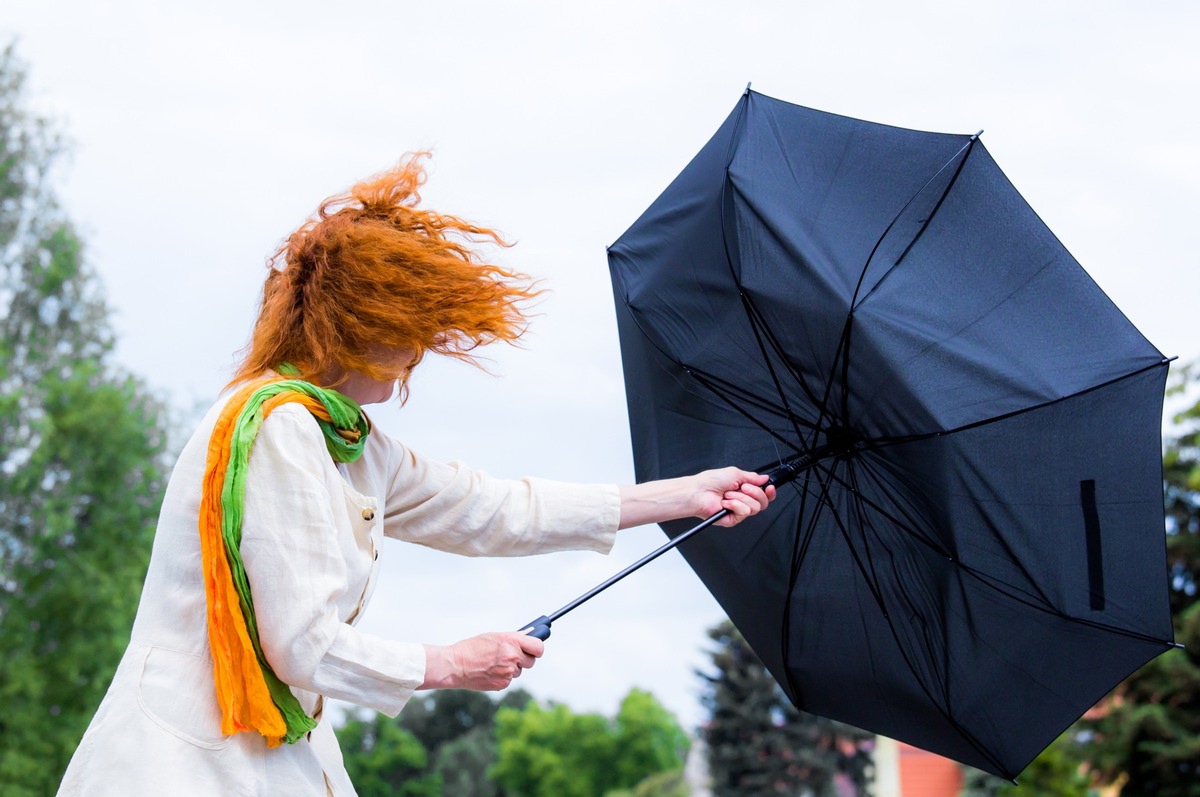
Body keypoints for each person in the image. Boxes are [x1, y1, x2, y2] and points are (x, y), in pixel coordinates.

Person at [56, 154, 776, 796]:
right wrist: (451, 662)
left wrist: (683, 495)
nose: (421, 351)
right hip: (183, 760)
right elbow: (301, 643)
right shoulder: (277, 428)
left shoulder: (348, 441)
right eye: (415, 325)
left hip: (265, 750)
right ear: (360, 320)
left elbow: (496, 509)